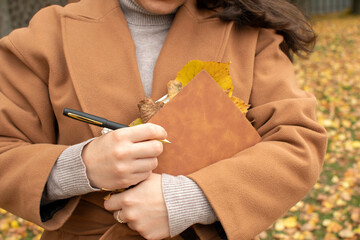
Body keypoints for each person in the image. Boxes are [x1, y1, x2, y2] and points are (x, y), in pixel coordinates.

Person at [0, 0, 327, 239]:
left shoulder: (250, 33)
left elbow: (297, 142)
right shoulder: (46, 36)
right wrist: (78, 166)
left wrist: (190, 199)